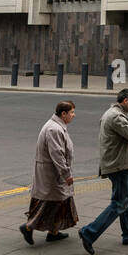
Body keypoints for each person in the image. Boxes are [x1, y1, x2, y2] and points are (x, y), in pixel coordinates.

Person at [79, 88, 128, 255]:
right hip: (119, 166)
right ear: (125, 101)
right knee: (119, 203)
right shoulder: (116, 116)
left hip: (123, 164)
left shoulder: (114, 112)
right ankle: (89, 232)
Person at [20, 101, 78, 245]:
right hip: (51, 175)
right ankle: (28, 227)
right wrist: (66, 174)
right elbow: (57, 154)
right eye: (71, 112)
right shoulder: (54, 129)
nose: (73, 115)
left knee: (60, 201)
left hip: (54, 174)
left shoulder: (57, 126)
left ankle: (54, 231)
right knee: (49, 202)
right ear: (63, 114)